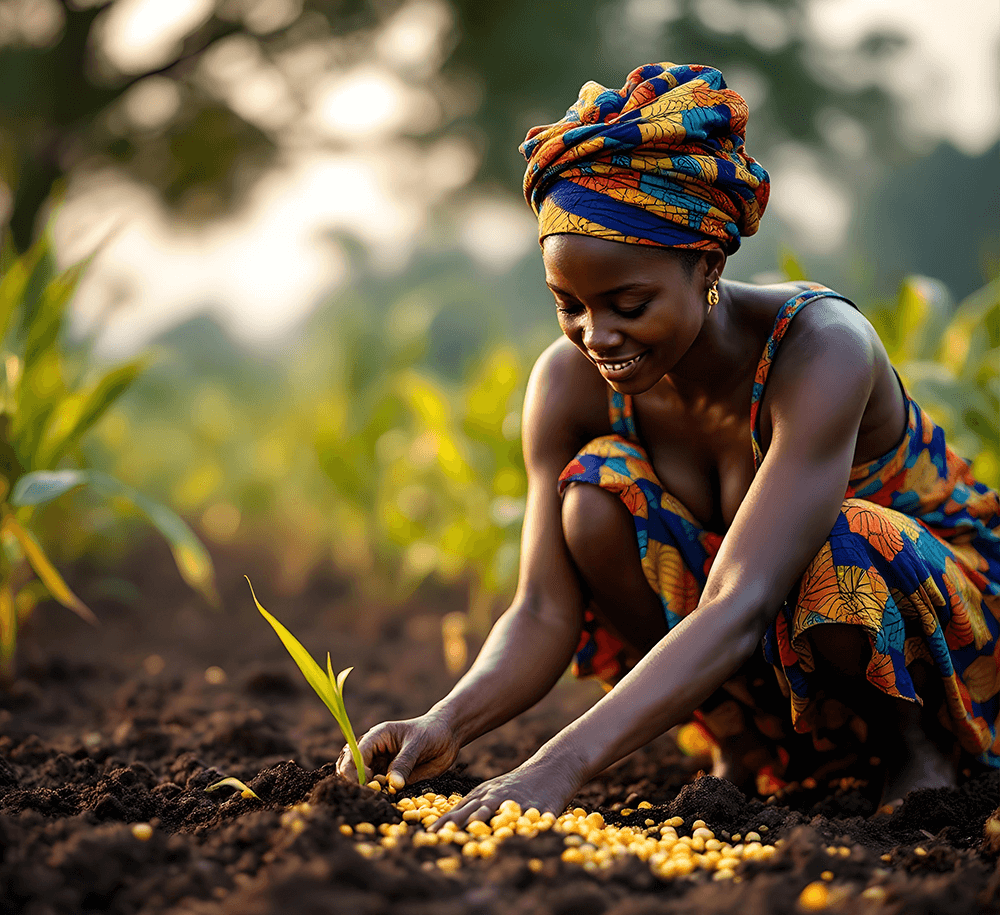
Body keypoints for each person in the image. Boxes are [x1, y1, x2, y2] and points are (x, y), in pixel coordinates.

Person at [337, 63, 1000, 824]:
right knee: (592, 495)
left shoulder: (819, 350)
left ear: (707, 267)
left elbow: (741, 598)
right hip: (755, 637)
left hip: (938, 632)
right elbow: (543, 609)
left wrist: (558, 768)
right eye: (569, 306)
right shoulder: (569, 386)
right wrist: (445, 721)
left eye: (628, 303)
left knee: (846, 539)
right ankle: (748, 750)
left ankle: (919, 754)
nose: (597, 335)